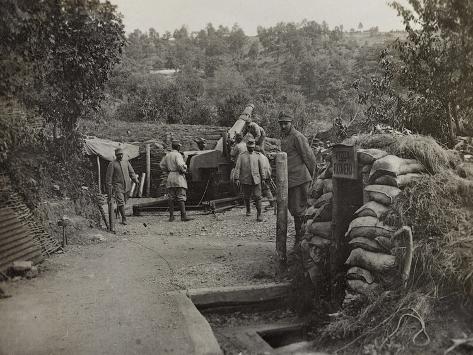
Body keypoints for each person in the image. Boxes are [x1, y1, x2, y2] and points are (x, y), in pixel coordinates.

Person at [278, 112, 317, 263]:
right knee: (294, 210)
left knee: (300, 210)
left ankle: (301, 241)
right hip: (289, 180)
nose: (283, 126)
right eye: (281, 123)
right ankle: (300, 239)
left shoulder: (297, 136)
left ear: (291, 122)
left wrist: (314, 176)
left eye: (285, 123)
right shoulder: (285, 137)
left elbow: (308, 156)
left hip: (300, 180)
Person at [159, 140, 193, 222]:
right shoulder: (177, 155)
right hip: (178, 176)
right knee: (181, 196)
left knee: (171, 197)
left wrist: (168, 170)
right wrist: (185, 170)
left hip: (170, 176)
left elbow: (162, 165)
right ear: (178, 147)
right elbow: (180, 165)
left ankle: (171, 216)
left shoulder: (168, 155)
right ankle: (183, 216)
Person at [105, 147, 139, 225]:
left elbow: (132, 173)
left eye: (121, 154)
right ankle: (124, 218)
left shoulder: (126, 162)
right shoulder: (112, 164)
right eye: (118, 155)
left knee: (124, 201)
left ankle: (118, 210)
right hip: (118, 186)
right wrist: (109, 188)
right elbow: (108, 178)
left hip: (127, 186)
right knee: (121, 202)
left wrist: (135, 180)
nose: (120, 156)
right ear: (116, 155)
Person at [234, 137, 264, 222]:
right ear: (247, 147)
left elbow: (261, 168)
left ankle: (259, 214)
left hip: (256, 179)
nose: (251, 148)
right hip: (245, 179)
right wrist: (236, 178)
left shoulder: (257, 155)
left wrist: (263, 177)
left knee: (258, 197)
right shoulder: (241, 156)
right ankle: (248, 210)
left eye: (252, 147)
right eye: (249, 147)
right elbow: (237, 168)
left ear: (254, 147)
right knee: (246, 196)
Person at [255, 145, 275, 210]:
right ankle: (270, 202)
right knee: (266, 189)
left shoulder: (257, 157)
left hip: (262, 175)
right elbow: (269, 167)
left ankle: (272, 203)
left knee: (264, 189)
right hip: (267, 174)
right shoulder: (264, 157)